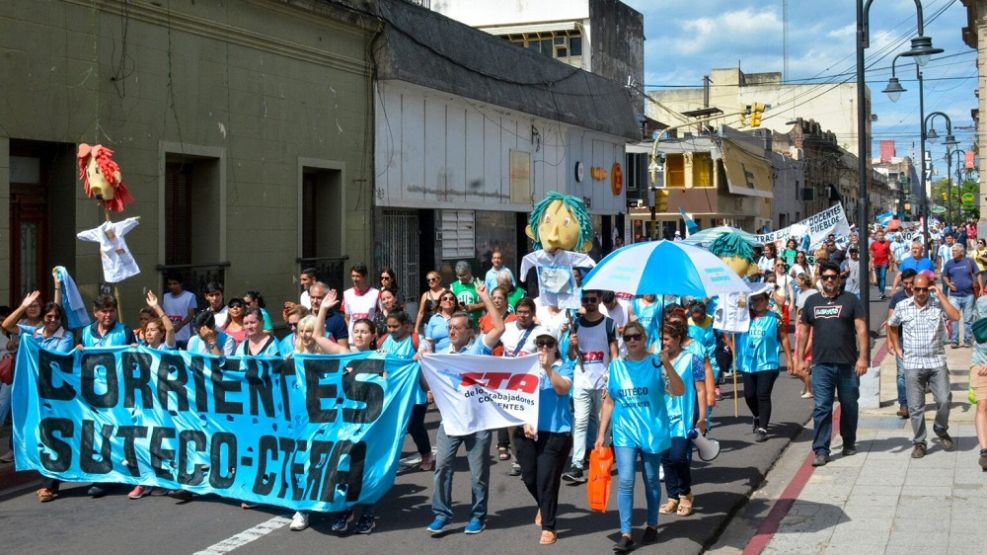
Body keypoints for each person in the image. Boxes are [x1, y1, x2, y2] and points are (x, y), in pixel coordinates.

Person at [595, 322, 685, 553]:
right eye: (627, 337)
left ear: (645, 338)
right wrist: (601, 434)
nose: (632, 341)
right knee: (625, 480)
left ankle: (652, 525)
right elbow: (609, 402)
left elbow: (678, 390)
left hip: (652, 431)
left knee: (651, 479)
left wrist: (666, 363)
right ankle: (626, 534)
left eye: (636, 336)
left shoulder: (656, 363)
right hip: (625, 431)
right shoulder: (615, 367)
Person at [426, 285, 505, 536]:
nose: (451, 331)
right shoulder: (440, 354)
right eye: (449, 328)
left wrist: (484, 297)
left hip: (478, 422)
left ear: (469, 331)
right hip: (450, 422)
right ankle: (442, 514)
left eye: (457, 328)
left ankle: (477, 516)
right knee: (442, 468)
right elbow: (429, 382)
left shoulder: (479, 348)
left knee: (478, 473)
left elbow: (499, 327)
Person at [796, 260, 868, 467]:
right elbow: (803, 333)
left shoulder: (851, 300)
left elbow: (862, 330)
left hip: (847, 364)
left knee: (849, 405)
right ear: (820, 279)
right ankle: (821, 449)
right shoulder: (811, 302)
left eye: (833, 277)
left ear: (839, 279)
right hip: (821, 365)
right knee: (821, 407)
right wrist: (799, 358)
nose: (829, 280)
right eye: (825, 277)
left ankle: (848, 441)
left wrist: (863, 358)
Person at [1, 295, 73, 501]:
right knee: (40, 436)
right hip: (34, 395)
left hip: (56, 397)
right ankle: (50, 481)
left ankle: (50, 485)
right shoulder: (33, 332)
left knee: (52, 436)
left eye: (56, 317)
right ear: (42, 318)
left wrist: (32, 345)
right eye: (48, 316)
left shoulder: (65, 337)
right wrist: (23, 306)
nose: (52, 320)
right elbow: (7, 324)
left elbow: (54, 358)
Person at [887, 273, 959, 458]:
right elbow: (891, 325)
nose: (920, 293)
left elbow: (956, 316)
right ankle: (920, 442)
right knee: (916, 406)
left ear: (930, 288)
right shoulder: (903, 306)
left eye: (924, 289)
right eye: (916, 289)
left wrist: (941, 295)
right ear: (912, 289)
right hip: (912, 363)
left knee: (944, 399)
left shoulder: (937, 305)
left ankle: (940, 428)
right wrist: (896, 347)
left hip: (936, 362)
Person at [513, 333, 572, 545]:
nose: (544, 347)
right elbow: (517, 398)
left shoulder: (564, 366)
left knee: (546, 480)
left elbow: (563, 388)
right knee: (529, 477)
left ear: (556, 347)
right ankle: (544, 505)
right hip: (528, 431)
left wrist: (548, 368)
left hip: (555, 433)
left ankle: (549, 526)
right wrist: (524, 421)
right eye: (540, 344)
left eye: (549, 344)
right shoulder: (526, 368)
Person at [78, 294, 136, 498]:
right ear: (95, 313)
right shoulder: (85, 333)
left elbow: (136, 361)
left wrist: (134, 351)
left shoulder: (125, 331)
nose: (108, 314)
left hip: (118, 394)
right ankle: (102, 477)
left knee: (116, 434)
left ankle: (121, 474)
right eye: (103, 310)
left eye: (111, 310)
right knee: (96, 435)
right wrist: (77, 350)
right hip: (92, 395)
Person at [562, 290, 618, 484]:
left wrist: (613, 377)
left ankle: (602, 461)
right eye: (586, 300)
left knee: (604, 423)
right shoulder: (576, 324)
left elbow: (614, 355)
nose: (590, 303)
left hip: (603, 382)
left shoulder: (609, 324)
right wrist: (571, 344)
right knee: (580, 422)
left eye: (593, 300)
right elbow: (571, 356)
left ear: (600, 300)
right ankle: (577, 465)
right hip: (582, 382)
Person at [658, 319, 705, 520]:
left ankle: (685, 493)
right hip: (662, 418)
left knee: (678, 456)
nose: (664, 343)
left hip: (683, 417)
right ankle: (672, 496)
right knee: (666, 458)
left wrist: (702, 418)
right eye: (662, 339)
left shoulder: (691, 359)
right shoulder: (656, 360)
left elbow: (701, 390)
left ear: (678, 339)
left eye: (667, 339)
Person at [736, 286, 794, 442]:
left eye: (760, 299)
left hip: (768, 363)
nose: (757, 303)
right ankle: (757, 416)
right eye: (754, 300)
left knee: (762, 394)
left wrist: (789, 359)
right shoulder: (744, 318)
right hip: (748, 363)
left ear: (767, 301)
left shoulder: (775, 318)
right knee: (749, 395)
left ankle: (762, 428)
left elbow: (784, 338)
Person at [887, 269, 918, 418]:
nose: (909, 286)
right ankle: (904, 404)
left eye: (911, 283)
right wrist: (890, 342)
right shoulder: (897, 297)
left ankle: (916, 402)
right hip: (901, 339)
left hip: (919, 340)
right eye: (905, 283)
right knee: (901, 373)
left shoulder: (923, 295)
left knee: (918, 373)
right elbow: (890, 321)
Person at [942, 243, 978, 348]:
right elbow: (944, 275)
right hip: (954, 295)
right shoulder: (949, 263)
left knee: (968, 320)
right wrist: (948, 284)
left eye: (955, 251)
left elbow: (977, 273)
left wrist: (977, 285)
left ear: (961, 252)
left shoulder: (969, 261)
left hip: (969, 295)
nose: (953, 253)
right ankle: (954, 341)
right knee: (954, 319)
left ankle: (967, 340)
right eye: (952, 251)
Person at [342, 263, 380, 337]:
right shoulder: (347, 294)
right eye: (353, 276)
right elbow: (347, 318)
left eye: (357, 276)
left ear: (365, 276)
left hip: (369, 338)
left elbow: (381, 316)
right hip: (353, 339)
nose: (355, 279)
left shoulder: (376, 294)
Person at [161, 271, 197, 349]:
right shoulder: (165, 297)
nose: (172, 286)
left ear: (181, 284)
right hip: (169, 338)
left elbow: (190, 315)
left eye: (175, 283)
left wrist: (179, 325)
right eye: (170, 284)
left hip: (185, 337)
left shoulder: (190, 296)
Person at [309, 282, 348, 348]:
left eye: (319, 298)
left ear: (327, 298)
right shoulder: (304, 316)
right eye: (312, 297)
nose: (315, 301)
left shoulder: (337, 320)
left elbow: (344, 349)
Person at [478, 287, 515, 357]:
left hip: (507, 357)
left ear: (505, 300)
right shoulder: (485, 319)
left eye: (499, 298)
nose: (496, 301)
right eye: (494, 298)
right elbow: (481, 342)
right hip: (488, 357)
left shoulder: (514, 319)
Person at [415, 270, 445, 336]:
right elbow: (421, 312)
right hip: (428, 324)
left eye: (433, 279)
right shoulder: (425, 295)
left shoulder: (445, 292)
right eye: (428, 280)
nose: (431, 281)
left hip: (442, 323)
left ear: (439, 279)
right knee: (429, 344)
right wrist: (416, 328)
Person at [869, 230, 891, 299]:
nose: (880, 237)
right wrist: (871, 261)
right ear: (876, 236)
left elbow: (889, 253)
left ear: (883, 236)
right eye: (879, 235)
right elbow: (870, 252)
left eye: (882, 235)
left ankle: (882, 292)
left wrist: (889, 262)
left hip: (884, 262)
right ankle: (880, 290)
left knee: (883, 277)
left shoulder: (886, 243)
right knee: (878, 278)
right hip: (876, 263)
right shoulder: (873, 244)